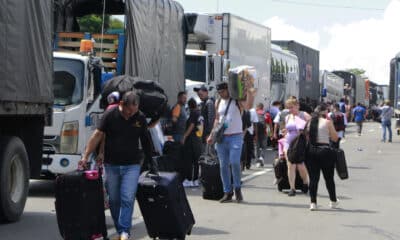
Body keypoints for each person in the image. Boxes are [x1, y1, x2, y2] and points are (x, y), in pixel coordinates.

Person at [78, 91, 153, 240]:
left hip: (132, 165)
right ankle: (120, 229)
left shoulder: (140, 117)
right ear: (121, 105)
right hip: (111, 165)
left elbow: (146, 140)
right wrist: (85, 156)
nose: (130, 115)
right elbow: (97, 136)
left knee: (127, 197)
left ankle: (124, 231)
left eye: (133, 112)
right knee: (113, 200)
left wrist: (151, 160)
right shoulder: (110, 115)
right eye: (127, 112)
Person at [207, 82, 256, 203]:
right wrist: (211, 134)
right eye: (219, 92)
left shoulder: (236, 101)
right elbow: (217, 120)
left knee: (234, 162)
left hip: (236, 136)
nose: (221, 94)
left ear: (228, 89)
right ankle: (227, 192)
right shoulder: (218, 102)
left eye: (223, 91)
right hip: (221, 138)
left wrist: (250, 92)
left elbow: (249, 106)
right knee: (223, 166)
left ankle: (237, 188)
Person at [306, 103, 339, 211]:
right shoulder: (328, 122)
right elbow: (335, 138)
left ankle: (313, 203)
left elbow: (307, 136)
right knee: (329, 178)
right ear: (325, 112)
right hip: (324, 151)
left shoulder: (310, 122)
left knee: (313, 179)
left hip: (311, 152)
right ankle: (333, 201)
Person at [284, 97, 311, 196]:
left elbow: (312, 125)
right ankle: (292, 188)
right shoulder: (288, 117)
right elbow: (287, 129)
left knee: (300, 165)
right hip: (288, 142)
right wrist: (285, 132)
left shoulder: (303, 115)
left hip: (300, 143)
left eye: (292, 107)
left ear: (297, 106)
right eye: (288, 108)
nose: (290, 109)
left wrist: (305, 130)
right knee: (290, 164)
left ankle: (305, 182)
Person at [181, 98, 203, 187]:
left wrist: (184, 137)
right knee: (196, 161)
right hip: (198, 139)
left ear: (189, 106)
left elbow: (191, 126)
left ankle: (189, 179)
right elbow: (200, 127)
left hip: (191, 140)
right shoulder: (199, 114)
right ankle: (195, 180)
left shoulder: (193, 113)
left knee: (189, 161)